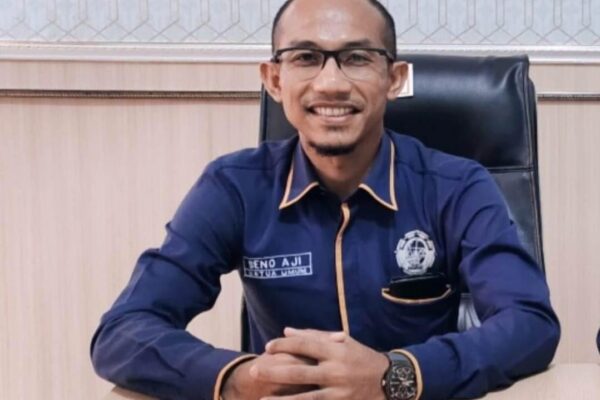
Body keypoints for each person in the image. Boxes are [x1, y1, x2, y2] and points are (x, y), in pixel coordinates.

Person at [90, 1, 560, 399]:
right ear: (274, 80)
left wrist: (394, 375)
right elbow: (124, 331)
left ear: (394, 78)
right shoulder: (234, 187)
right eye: (306, 57)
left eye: (357, 57)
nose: (331, 82)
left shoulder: (458, 186)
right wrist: (240, 378)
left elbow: (530, 322)